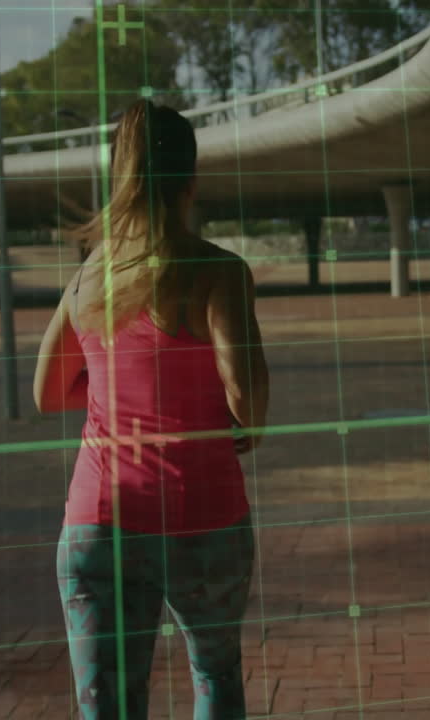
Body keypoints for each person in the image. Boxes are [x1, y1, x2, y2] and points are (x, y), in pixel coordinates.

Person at [32, 100, 269, 720]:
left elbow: (47, 393)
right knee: (215, 674)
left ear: (123, 180)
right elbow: (246, 397)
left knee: (107, 703)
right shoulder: (220, 272)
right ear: (190, 181)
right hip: (204, 518)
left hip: (100, 522)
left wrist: (119, 390)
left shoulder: (90, 278)